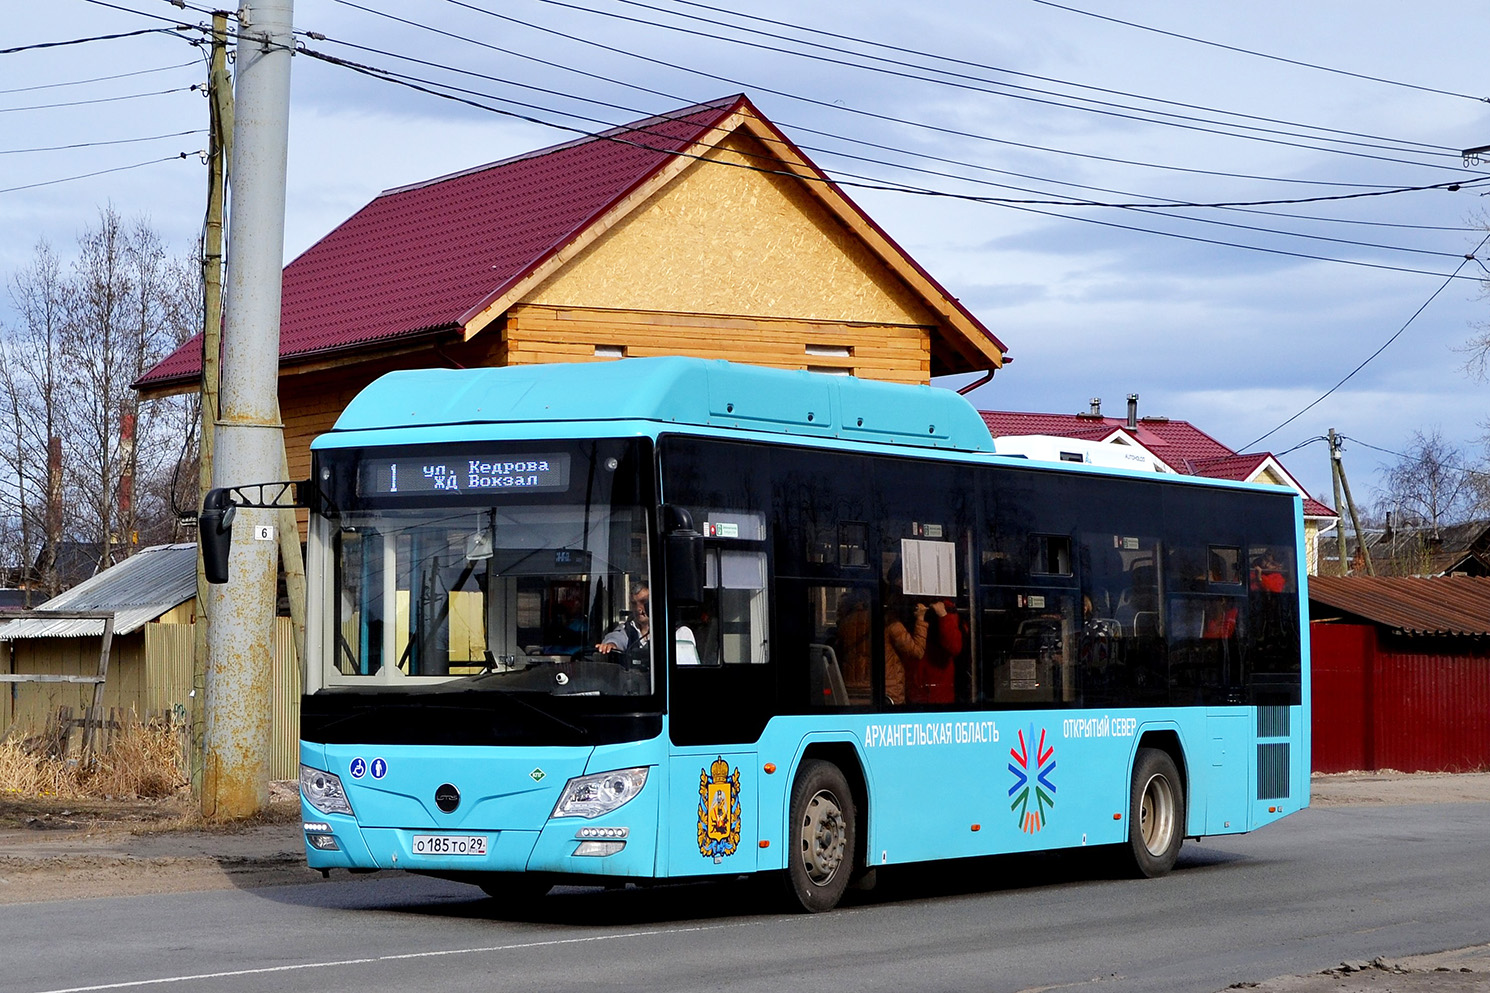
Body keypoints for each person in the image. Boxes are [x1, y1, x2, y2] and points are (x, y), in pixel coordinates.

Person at [906, 599, 962, 704]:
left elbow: (955, 647)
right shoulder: (908, 605)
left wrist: (943, 615)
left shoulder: (947, 608)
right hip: (915, 691)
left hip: (939, 693)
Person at [596, 583, 650, 659]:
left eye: (643, 602)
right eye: (634, 603)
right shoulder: (627, 628)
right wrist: (610, 645)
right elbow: (617, 637)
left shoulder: (667, 630)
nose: (638, 608)